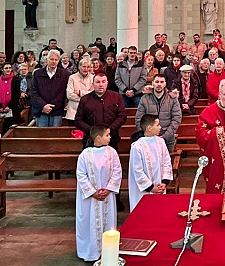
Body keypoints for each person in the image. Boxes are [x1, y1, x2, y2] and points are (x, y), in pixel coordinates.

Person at [75, 125, 122, 262]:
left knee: (107, 223)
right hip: (90, 199)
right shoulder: (85, 154)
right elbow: (81, 175)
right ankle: (90, 252)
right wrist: (92, 192)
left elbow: (117, 171)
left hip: (107, 195)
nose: (110, 137)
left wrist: (108, 189)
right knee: (89, 223)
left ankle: (108, 252)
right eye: (107, 135)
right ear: (98, 138)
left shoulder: (111, 152)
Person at [128, 114, 173, 212]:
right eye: (157, 125)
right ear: (149, 128)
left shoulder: (160, 141)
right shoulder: (137, 146)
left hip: (160, 186)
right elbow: (137, 170)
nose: (160, 127)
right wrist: (151, 187)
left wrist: (164, 182)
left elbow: (167, 161)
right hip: (144, 190)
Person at [135, 74, 182, 153]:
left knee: (167, 164)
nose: (159, 84)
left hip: (167, 139)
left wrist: (165, 136)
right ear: (152, 83)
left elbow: (176, 119)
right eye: (157, 82)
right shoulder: (145, 99)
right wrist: (147, 134)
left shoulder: (172, 98)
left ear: (165, 84)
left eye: (161, 82)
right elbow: (139, 119)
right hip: (149, 139)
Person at [30, 50, 70, 127]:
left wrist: (51, 106)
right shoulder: (37, 73)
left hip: (56, 110)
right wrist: (44, 105)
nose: (53, 62)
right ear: (47, 60)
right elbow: (34, 92)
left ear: (59, 61)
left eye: (56, 60)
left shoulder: (65, 75)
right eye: (51, 59)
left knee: (55, 137)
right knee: (41, 136)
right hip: (41, 110)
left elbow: (63, 93)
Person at [65, 59, 94, 126]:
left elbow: (94, 95)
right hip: (73, 112)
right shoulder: (72, 78)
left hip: (89, 112)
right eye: (84, 66)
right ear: (79, 67)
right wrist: (87, 96)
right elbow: (69, 95)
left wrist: (80, 92)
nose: (86, 69)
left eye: (88, 67)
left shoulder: (93, 78)